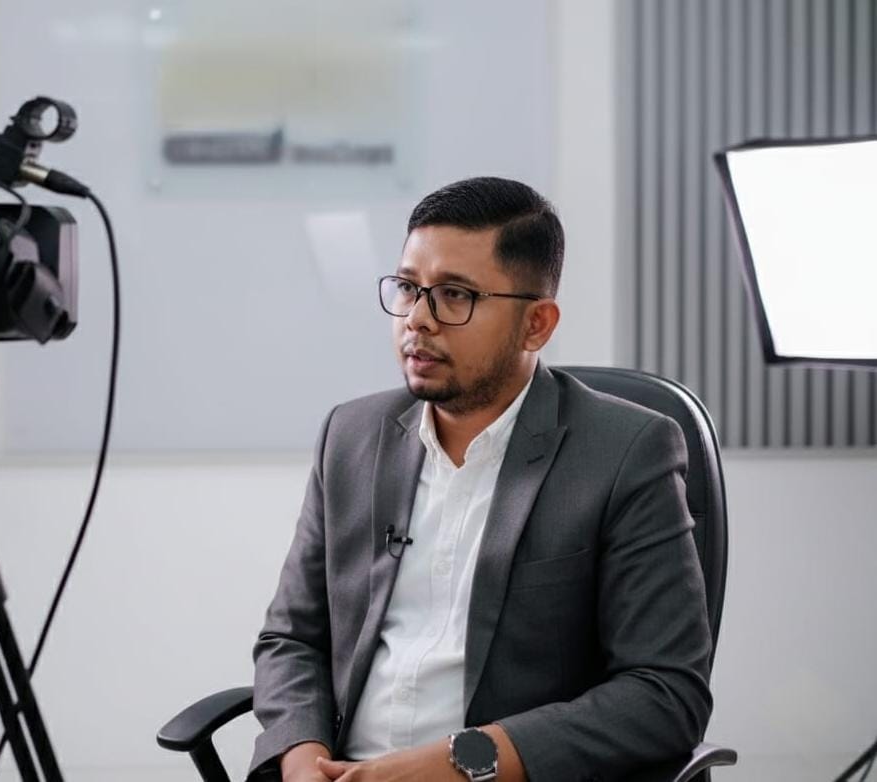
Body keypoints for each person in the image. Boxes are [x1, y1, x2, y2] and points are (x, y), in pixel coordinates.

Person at [249, 177, 712, 782]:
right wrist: (302, 760)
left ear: (536, 324)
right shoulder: (351, 436)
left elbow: (666, 694)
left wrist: (456, 764)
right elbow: (291, 639)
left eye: (455, 295)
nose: (418, 319)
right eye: (408, 288)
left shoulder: (626, 452)